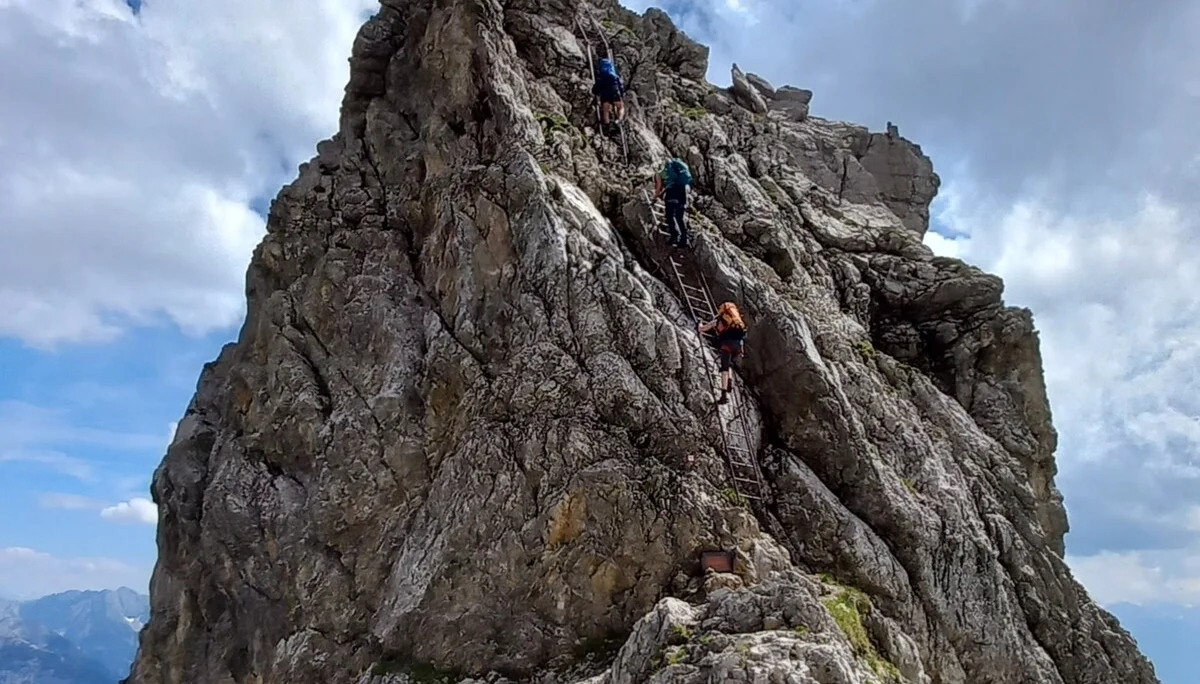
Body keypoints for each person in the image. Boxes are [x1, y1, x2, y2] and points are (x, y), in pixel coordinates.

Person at [697, 302, 747, 405]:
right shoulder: (738, 322)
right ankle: (729, 382)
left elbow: (703, 329)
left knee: (724, 369)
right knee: (729, 365)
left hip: (727, 346)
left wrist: (700, 324)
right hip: (737, 347)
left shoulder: (720, 320)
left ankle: (723, 395)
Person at [654, 157, 693, 248]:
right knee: (679, 217)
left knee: (669, 215)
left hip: (672, 192)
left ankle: (674, 236)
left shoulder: (658, 174)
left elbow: (659, 187)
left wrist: (655, 197)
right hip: (683, 192)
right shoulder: (677, 171)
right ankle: (684, 239)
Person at [592, 58, 625, 129]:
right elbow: (621, 85)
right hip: (615, 92)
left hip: (605, 94)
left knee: (605, 109)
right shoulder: (615, 76)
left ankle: (607, 125)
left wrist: (596, 92)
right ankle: (619, 120)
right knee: (620, 107)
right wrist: (621, 94)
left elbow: (596, 87)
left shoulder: (601, 76)